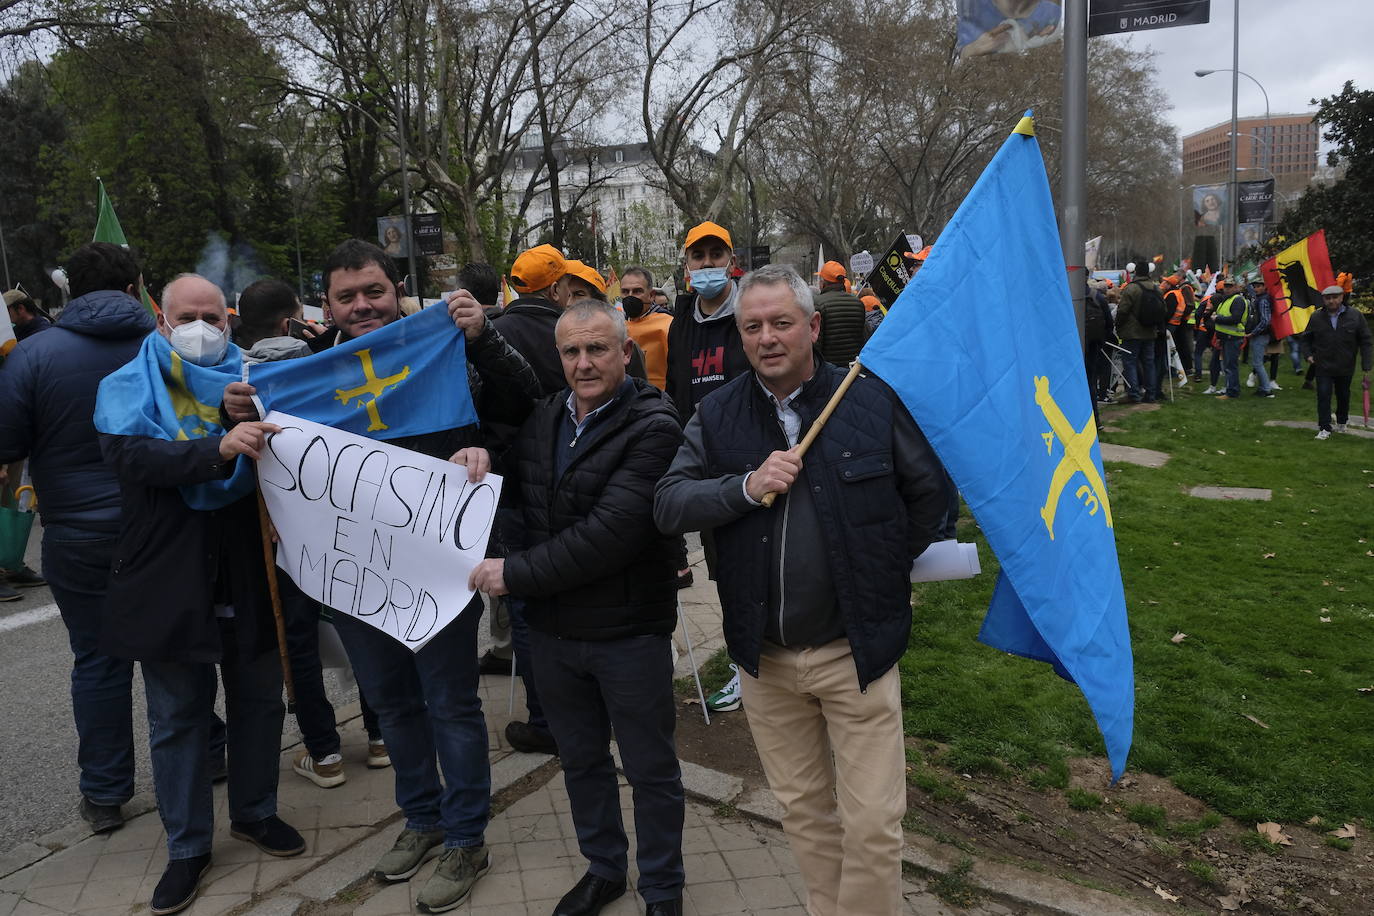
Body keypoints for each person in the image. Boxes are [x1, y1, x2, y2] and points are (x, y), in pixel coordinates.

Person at [228, 240, 540, 910]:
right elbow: (268, 460)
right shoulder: (304, 375)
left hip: (439, 566)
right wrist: (238, 415)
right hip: (353, 574)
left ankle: (466, 838)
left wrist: (484, 348)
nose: (363, 305)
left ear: (396, 290)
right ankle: (422, 822)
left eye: (374, 291)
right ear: (328, 305)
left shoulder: (446, 346)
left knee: (451, 705)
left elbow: (526, 401)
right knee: (392, 705)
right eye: (347, 296)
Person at [653, 264, 948, 916]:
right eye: (752, 326)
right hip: (766, 658)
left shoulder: (866, 400)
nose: (767, 338)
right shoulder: (717, 414)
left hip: (856, 652)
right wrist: (744, 488)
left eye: (781, 322)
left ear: (812, 327)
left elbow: (930, 495)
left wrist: (878, 565)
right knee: (805, 812)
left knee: (873, 822)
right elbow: (669, 504)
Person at [96, 273, 305, 915]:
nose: (202, 327)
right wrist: (218, 446)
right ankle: (187, 847)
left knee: (259, 701)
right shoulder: (124, 386)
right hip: (167, 575)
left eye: (214, 316)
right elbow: (137, 462)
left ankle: (255, 813)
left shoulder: (256, 382)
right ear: (161, 319)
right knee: (177, 718)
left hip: (248, 569)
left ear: (231, 319)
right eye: (188, 315)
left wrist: (248, 424)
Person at [471, 300, 687, 916]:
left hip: (628, 632)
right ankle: (604, 869)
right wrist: (483, 458)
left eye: (598, 349)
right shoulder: (546, 418)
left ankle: (663, 890)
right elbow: (521, 482)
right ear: (558, 356)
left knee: (650, 771)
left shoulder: (655, 426)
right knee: (582, 761)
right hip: (554, 634)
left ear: (626, 352)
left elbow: (610, 534)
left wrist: (513, 574)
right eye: (571, 351)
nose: (584, 363)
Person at [0, 243, 155, 833]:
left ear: (71, 291)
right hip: (160, 524)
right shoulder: (163, 344)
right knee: (175, 648)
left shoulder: (33, 355)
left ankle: (106, 794)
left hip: (77, 533)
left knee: (99, 659)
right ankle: (207, 757)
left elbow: (7, 444)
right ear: (135, 286)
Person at [231, 278, 389, 789]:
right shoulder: (328, 367)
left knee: (296, 641)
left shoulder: (235, 385)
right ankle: (382, 734)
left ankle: (324, 754)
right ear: (291, 321)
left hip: (279, 534)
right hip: (344, 524)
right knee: (363, 624)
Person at [664, 222, 751, 425]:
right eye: (698, 256)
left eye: (716, 254)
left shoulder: (753, 315)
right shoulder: (680, 323)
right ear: (687, 266)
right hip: (692, 444)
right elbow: (674, 388)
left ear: (733, 262)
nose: (707, 263)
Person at [1307, 284, 1372, 440]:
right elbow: (1306, 338)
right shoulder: (1316, 317)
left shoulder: (1355, 316)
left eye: (1335, 297)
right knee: (1323, 395)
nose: (1331, 301)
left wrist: (1366, 364)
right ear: (1323, 299)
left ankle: (1342, 421)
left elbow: (1365, 340)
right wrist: (1308, 355)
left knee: (1343, 395)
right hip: (1323, 365)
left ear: (1342, 298)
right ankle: (1324, 427)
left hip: (1345, 365)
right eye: (1328, 298)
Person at [1114, 267, 1162, 403]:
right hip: (1150, 332)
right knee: (1149, 363)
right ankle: (1151, 394)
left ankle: (1134, 394)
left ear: (1136, 272)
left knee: (1130, 363)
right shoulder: (1156, 288)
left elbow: (1122, 310)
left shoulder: (1131, 289)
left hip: (1132, 332)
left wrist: (1118, 326)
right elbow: (1162, 309)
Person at [621, 265, 673, 390]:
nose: (630, 296)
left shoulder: (668, 325)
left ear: (651, 295)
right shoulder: (615, 326)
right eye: (625, 291)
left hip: (659, 401)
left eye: (637, 291)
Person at [813, 261, 867, 366]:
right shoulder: (858, 303)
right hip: (853, 369)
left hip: (829, 370)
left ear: (824, 282)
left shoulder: (818, 303)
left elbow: (816, 343)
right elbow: (863, 336)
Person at [1210, 276, 1249, 400]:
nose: (1227, 289)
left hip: (1233, 337)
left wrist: (1217, 318)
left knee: (1230, 366)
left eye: (1230, 286)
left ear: (1236, 287)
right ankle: (1229, 389)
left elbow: (1235, 319)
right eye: (1225, 286)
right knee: (1228, 366)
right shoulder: (1227, 299)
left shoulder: (1237, 300)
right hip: (1226, 337)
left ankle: (1232, 392)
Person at [1244, 278, 1276, 398]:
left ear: (1264, 287)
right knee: (1258, 362)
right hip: (1260, 335)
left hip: (1260, 335)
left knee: (1257, 364)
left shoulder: (1263, 301)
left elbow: (1265, 321)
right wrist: (1246, 281)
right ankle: (1263, 387)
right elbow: (1251, 292)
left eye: (1259, 286)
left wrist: (1253, 333)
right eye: (1255, 286)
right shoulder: (1260, 297)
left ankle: (1267, 389)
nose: (1256, 289)